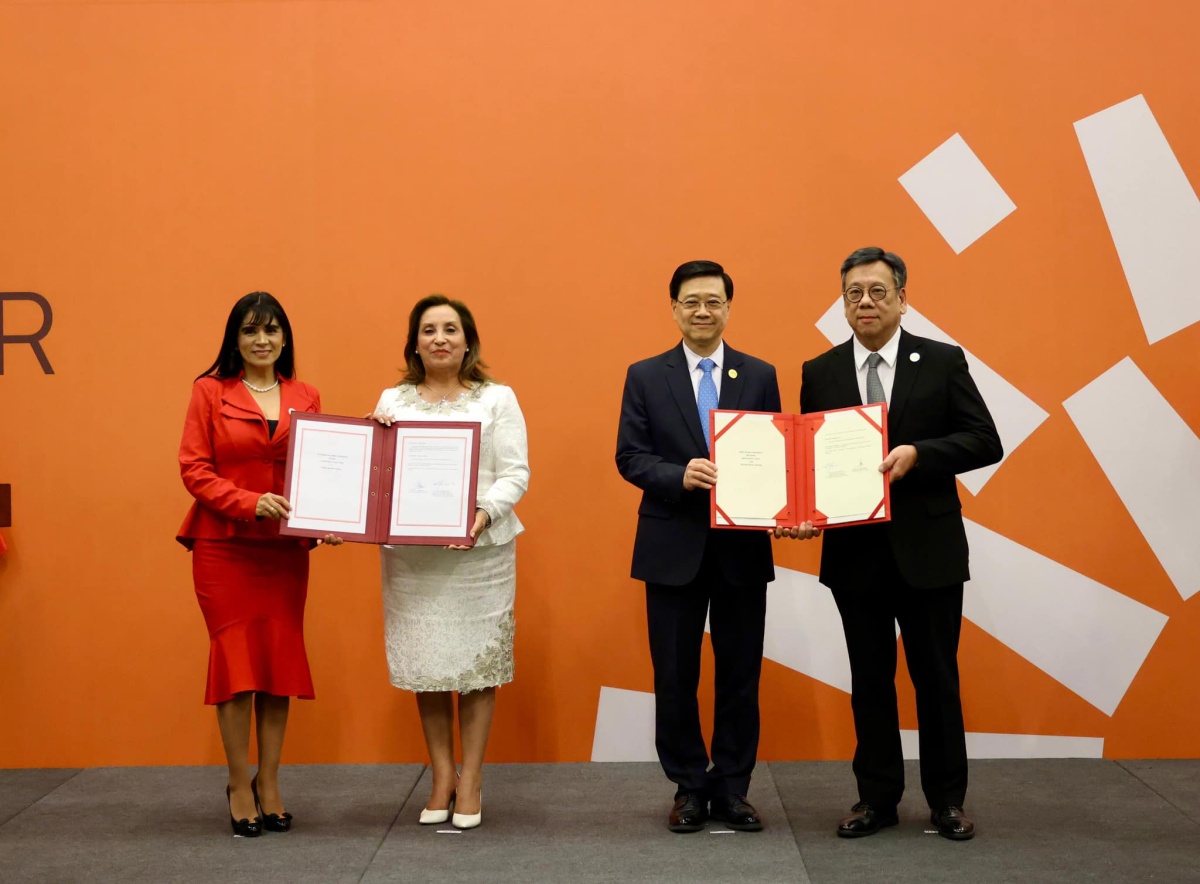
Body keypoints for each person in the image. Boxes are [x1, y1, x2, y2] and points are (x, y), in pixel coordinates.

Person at [791, 247, 1002, 841]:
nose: (865, 302)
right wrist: (802, 512)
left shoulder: (940, 360)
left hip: (929, 550)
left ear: (903, 299)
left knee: (936, 679)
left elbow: (984, 440)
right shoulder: (820, 371)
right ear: (843, 302)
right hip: (854, 553)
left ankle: (948, 800)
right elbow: (809, 463)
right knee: (869, 681)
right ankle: (876, 798)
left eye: (878, 291)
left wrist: (920, 454)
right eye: (853, 292)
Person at [615, 260, 781, 833]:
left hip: (742, 548)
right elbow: (629, 456)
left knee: (740, 675)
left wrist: (787, 507)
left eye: (713, 301)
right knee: (674, 675)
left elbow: (776, 456)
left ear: (729, 307)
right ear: (674, 309)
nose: (702, 311)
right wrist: (677, 475)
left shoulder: (759, 375)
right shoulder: (645, 374)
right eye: (691, 302)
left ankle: (733, 787)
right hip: (671, 546)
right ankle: (688, 786)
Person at [178, 291, 341, 838]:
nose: (262, 340)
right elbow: (194, 469)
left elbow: (320, 471)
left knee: (276, 666)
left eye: (271, 329)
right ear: (235, 339)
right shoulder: (210, 391)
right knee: (236, 666)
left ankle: (269, 782)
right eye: (250, 330)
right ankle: (238, 784)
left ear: (285, 337)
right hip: (224, 546)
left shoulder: (306, 394)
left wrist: (328, 519)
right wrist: (249, 503)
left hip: (283, 552)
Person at [369, 294, 529, 831]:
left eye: (451, 329)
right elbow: (380, 474)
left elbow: (515, 472)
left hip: (480, 553)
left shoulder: (498, 399)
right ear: (414, 343)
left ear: (468, 341)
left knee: (477, 668)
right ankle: (442, 776)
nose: (440, 338)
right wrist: (370, 448)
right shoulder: (392, 401)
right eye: (429, 330)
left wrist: (482, 515)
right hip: (414, 559)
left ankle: (473, 778)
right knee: (429, 665)